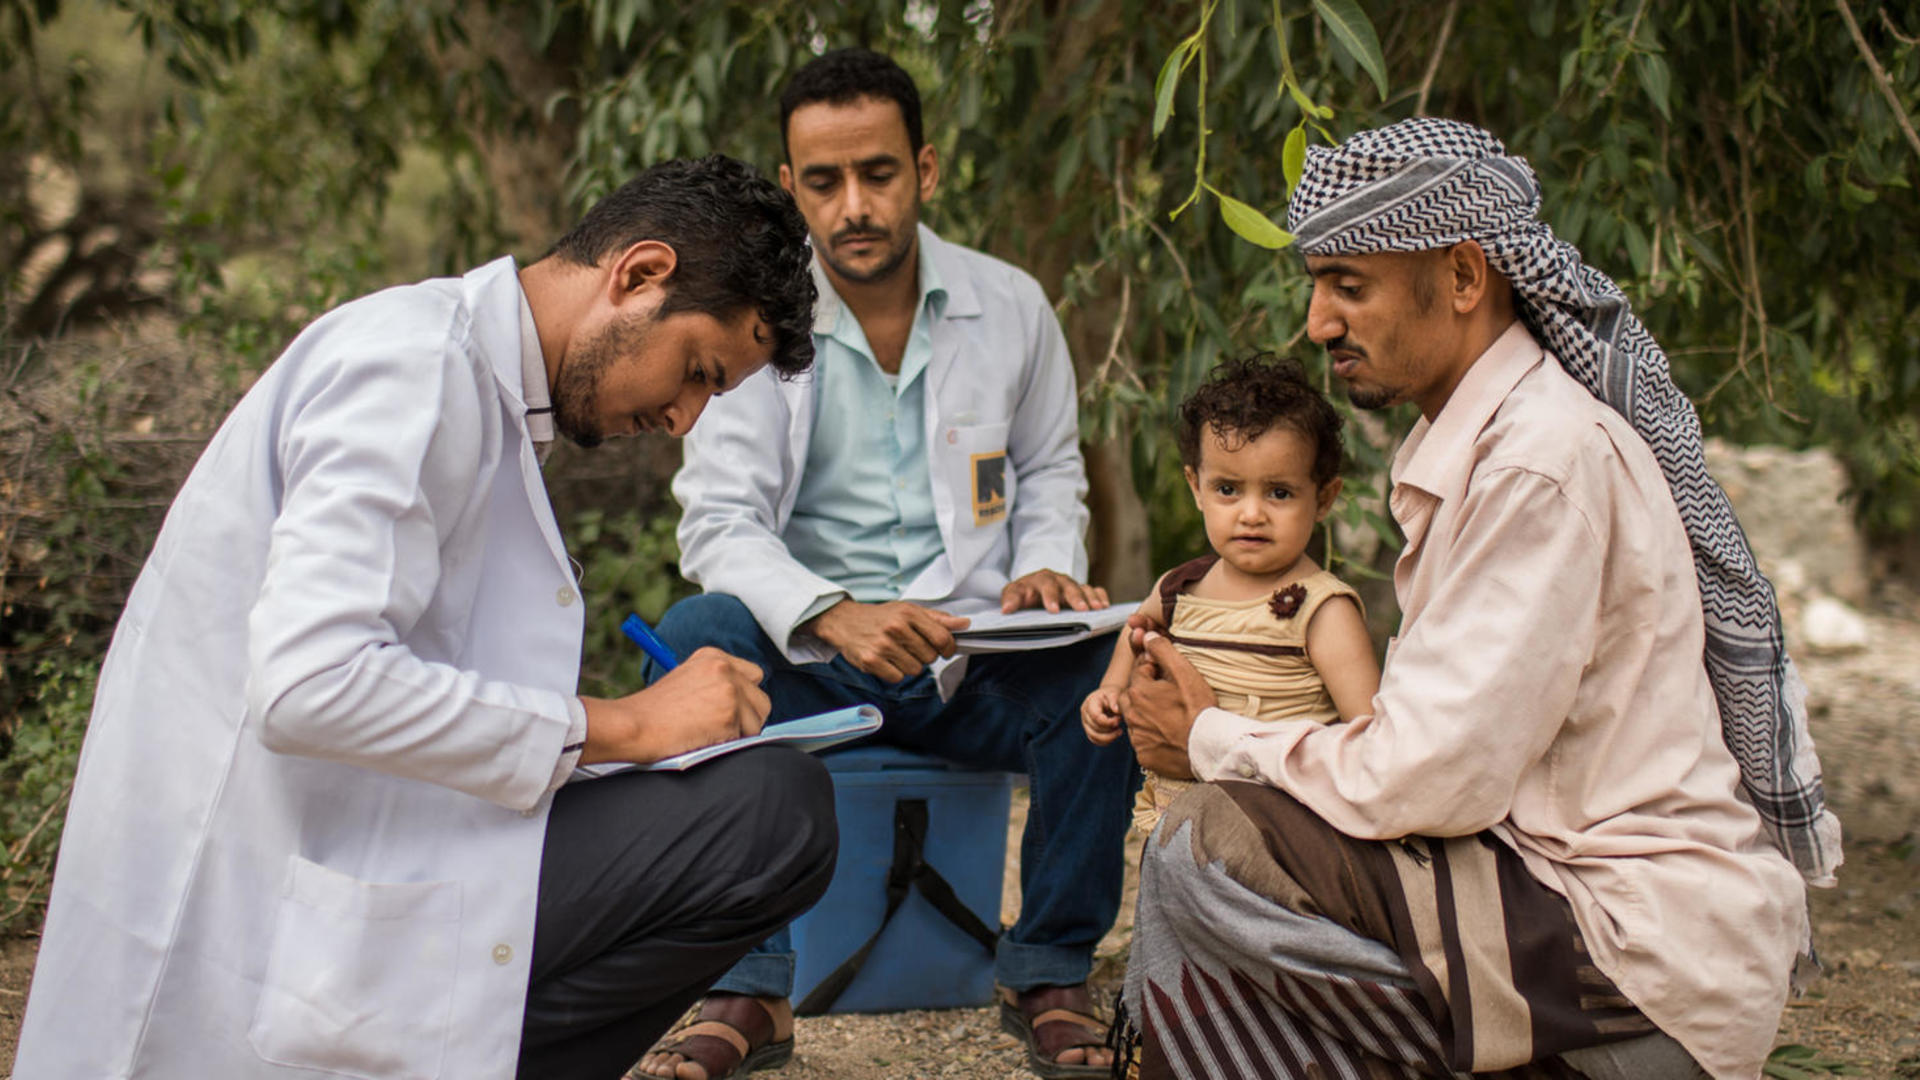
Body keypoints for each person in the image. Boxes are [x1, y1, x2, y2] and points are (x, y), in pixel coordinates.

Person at [14, 155, 839, 1080]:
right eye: (697, 370)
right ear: (639, 274)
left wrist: (597, 740)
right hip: (272, 887)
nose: (684, 416)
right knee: (769, 816)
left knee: (775, 811)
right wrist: (626, 726)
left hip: (374, 839)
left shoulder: (479, 385)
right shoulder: (413, 364)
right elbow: (309, 685)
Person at [1115, 118, 1839, 1080]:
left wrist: (1209, 737)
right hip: (1540, 888)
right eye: (1317, 285)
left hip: (1631, 947)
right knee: (1200, 866)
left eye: (1349, 286)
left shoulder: (1541, 461)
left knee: (1204, 846)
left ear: (1463, 278)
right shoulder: (1493, 442)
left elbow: (1429, 776)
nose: (1319, 322)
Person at [638, 48, 1132, 1080]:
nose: (853, 205)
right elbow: (718, 523)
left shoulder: (1012, 307)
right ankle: (749, 983)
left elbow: (1047, 472)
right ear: (790, 188)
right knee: (692, 639)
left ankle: (1045, 970)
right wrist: (830, 613)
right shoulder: (756, 328)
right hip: (813, 663)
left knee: (1110, 669)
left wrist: (1043, 567)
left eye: (879, 173)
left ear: (928, 169)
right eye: (824, 181)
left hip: (974, 655)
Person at [1081, 354, 1378, 834]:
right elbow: (1137, 632)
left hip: (1286, 823)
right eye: (1228, 489)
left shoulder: (1324, 610)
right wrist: (1110, 691)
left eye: (1279, 493)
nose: (1252, 513)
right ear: (1195, 487)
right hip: (1184, 813)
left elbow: (1369, 737)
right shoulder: (1181, 587)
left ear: (1323, 498)